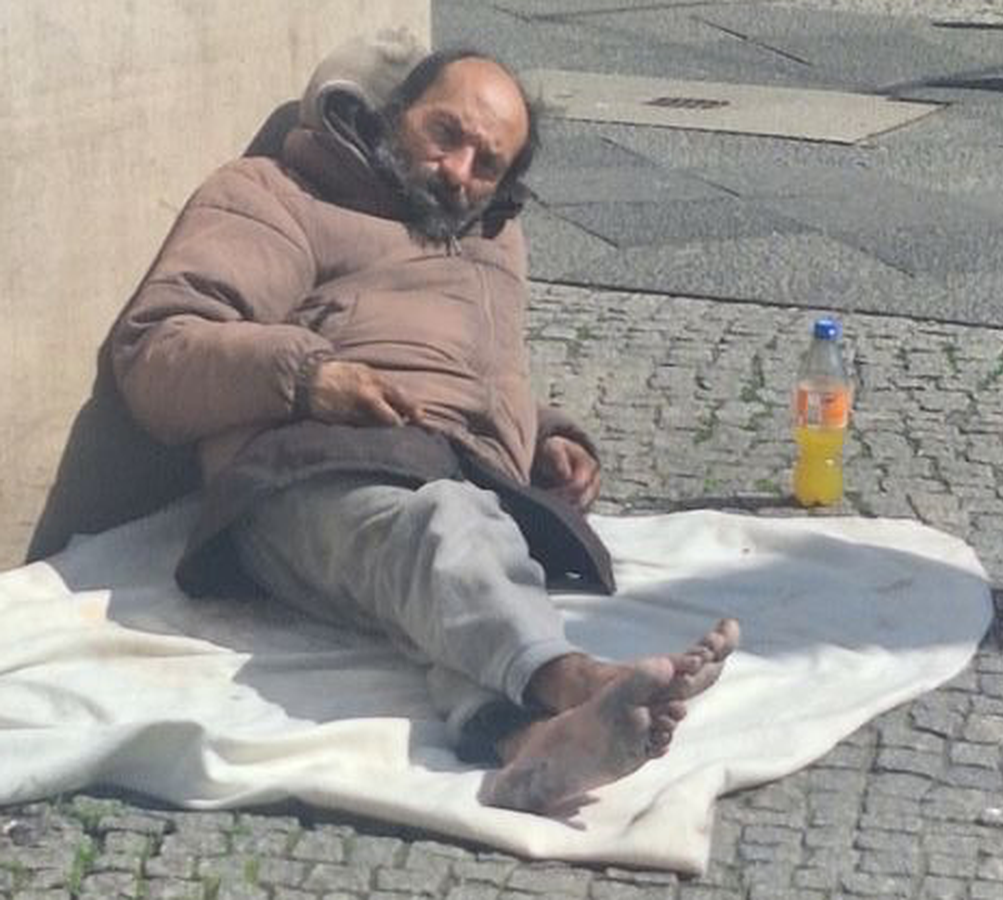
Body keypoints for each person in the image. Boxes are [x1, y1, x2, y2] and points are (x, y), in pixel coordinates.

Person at [109, 30, 739, 814]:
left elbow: (460, 377)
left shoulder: (491, 236)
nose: (458, 172)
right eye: (445, 134)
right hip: (302, 476)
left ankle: (525, 743)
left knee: (451, 563)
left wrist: (544, 436)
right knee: (447, 526)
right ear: (392, 111)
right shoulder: (278, 195)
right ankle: (577, 679)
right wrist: (308, 378)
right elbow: (155, 351)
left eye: (488, 165)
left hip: (449, 476)